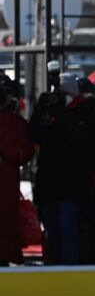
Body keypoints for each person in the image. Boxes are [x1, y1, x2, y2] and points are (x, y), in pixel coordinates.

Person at [28, 73, 95, 265]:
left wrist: (60, 111)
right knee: (51, 232)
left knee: (68, 230)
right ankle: (52, 268)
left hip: (72, 186)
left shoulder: (85, 111)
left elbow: (79, 136)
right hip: (49, 183)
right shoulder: (48, 110)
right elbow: (34, 134)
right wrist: (40, 109)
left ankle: (70, 272)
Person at [0, 74, 34, 265]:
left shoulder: (16, 123)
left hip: (6, 189)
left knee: (6, 228)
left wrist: (3, 146)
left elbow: (24, 154)